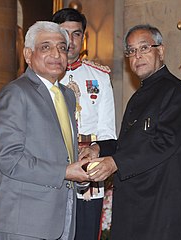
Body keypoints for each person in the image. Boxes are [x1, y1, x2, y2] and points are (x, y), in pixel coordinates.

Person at [79, 24, 181, 240]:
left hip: (162, 208)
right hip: (137, 206)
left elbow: (162, 143)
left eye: (144, 48)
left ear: (161, 51)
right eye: (131, 51)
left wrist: (115, 163)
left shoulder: (176, 92)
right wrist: (98, 148)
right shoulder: (139, 95)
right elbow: (129, 145)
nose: (137, 56)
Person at [0, 21, 90, 240]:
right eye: (46, 47)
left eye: (62, 47)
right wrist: (64, 171)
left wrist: (81, 171)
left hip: (61, 220)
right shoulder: (15, 93)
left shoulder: (67, 96)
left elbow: (60, 155)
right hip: (23, 223)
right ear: (27, 54)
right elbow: (9, 159)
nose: (56, 53)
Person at [52, 8, 117, 240]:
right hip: (51, 170)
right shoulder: (42, 77)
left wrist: (94, 151)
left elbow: (108, 133)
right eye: (64, 33)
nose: (70, 41)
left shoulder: (99, 77)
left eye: (76, 34)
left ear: (83, 37)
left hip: (89, 168)